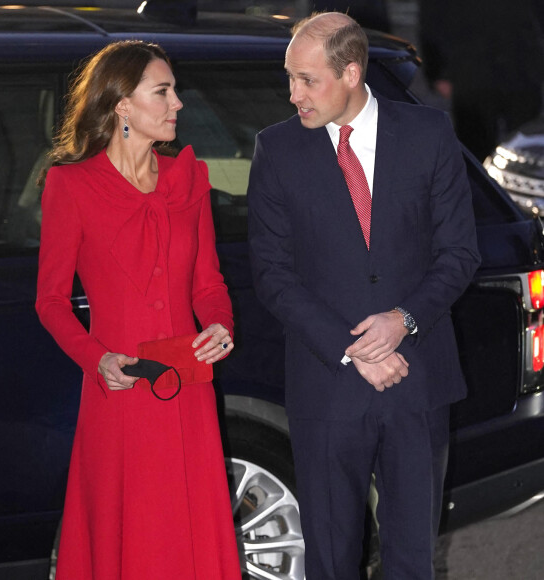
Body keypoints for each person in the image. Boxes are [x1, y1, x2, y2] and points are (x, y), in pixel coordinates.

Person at [247, 12, 480, 580]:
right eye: (290, 78)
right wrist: (355, 349)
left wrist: (403, 320)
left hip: (417, 380)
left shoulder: (428, 134)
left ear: (351, 72)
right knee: (330, 557)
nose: (294, 93)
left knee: (411, 559)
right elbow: (273, 274)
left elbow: (459, 255)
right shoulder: (276, 149)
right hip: (326, 389)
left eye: (308, 79)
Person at [36, 40, 241, 580]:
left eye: (174, 91)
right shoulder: (70, 185)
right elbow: (52, 301)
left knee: (189, 535)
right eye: (163, 91)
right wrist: (95, 358)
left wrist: (221, 324)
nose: (178, 104)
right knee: (127, 537)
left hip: (188, 386)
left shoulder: (188, 178)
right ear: (122, 105)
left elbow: (208, 283)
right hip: (119, 390)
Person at [418, 0, 544, 162]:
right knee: (475, 148)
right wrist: (437, 72)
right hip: (473, 69)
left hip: (520, 67)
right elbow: (432, 21)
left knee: (525, 150)